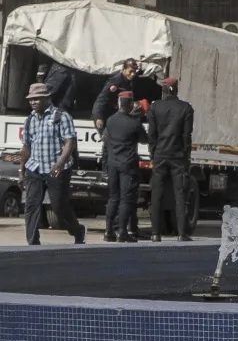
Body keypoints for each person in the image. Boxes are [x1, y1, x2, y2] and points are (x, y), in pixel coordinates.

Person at [19, 81, 86, 246]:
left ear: (47, 98)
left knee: (58, 206)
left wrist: (60, 163)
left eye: (37, 99)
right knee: (31, 205)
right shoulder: (30, 120)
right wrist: (21, 170)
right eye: (31, 99)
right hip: (34, 167)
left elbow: (70, 142)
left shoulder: (61, 116)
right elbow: (26, 147)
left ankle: (77, 230)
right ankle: (33, 242)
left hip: (56, 168)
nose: (33, 102)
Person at [146, 76, 196, 241]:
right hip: (178, 157)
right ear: (176, 89)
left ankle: (155, 233)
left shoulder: (155, 107)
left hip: (160, 155)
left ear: (164, 90)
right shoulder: (185, 108)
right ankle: (182, 234)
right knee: (180, 195)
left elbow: (151, 135)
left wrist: (153, 154)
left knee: (157, 194)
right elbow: (186, 136)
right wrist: (186, 156)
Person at [101, 88, 148, 242]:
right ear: (130, 105)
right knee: (126, 199)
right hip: (128, 165)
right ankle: (122, 232)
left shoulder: (110, 120)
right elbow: (144, 139)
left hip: (112, 163)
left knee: (113, 198)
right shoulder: (133, 123)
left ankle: (108, 232)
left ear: (119, 103)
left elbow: (106, 139)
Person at [92, 57, 144, 128]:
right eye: (130, 71)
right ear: (124, 69)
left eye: (134, 72)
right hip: (106, 115)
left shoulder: (130, 82)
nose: (132, 74)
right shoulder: (115, 81)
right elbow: (102, 99)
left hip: (118, 115)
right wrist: (98, 117)